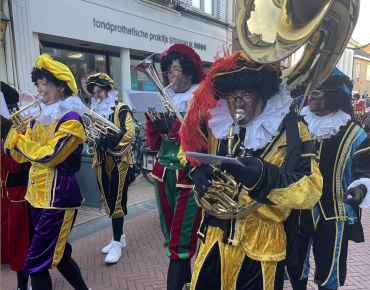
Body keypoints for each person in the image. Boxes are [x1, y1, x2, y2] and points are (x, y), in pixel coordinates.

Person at [180, 50, 323, 290]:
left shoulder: (293, 130)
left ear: (264, 94)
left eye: (246, 95)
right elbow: (187, 148)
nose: (237, 103)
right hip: (213, 239)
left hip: (260, 246)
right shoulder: (216, 119)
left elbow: (312, 188)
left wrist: (265, 177)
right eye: (231, 96)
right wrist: (196, 169)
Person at [1, 54, 90, 290]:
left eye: (45, 84)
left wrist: (15, 138)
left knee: (35, 263)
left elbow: (49, 155)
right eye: (38, 84)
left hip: (58, 199)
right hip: (35, 197)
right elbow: (21, 157)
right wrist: (10, 138)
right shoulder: (37, 118)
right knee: (59, 255)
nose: (40, 90)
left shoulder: (72, 119)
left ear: (60, 86)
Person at [286, 68, 370, 290]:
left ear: (332, 95)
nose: (310, 97)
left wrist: (361, 188)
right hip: (297, 208)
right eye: (310, 92)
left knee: (329, 271)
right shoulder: (296, 125)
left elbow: (365, 172)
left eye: (317, 93)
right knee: (294, 266)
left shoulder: (355, 134)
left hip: (333, 212)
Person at [145, 44, 206, 290]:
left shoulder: (200, 98)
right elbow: (153, 142)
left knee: (180, 243)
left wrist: (174, 126)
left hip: (188, 175)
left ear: (190, 72)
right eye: (169, 71)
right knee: (171, 235)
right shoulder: (164, 96)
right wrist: (155, 122)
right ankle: (188, 282)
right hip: (163, 173)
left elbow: (202, 140)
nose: (172, 77)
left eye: (177, 70)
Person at [86, 73, 135, 263]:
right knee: (108, 198)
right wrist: (90, 139)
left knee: (116, 200)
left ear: (109, 91)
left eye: (100, 91)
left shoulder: (121, 109)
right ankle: (120, 237)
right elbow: (91, 137)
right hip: (101, 161)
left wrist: (104, 141)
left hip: (119, 161)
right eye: (94, 92)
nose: (97, 95)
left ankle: (116, 243)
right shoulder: (93, 112)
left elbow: (128, 133)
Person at [0, 83, 32, 290]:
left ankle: (23, 285)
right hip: (6, 194)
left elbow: (17, 164)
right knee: (10, 242)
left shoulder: (20, 126)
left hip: (19, 195)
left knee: (22, 242)